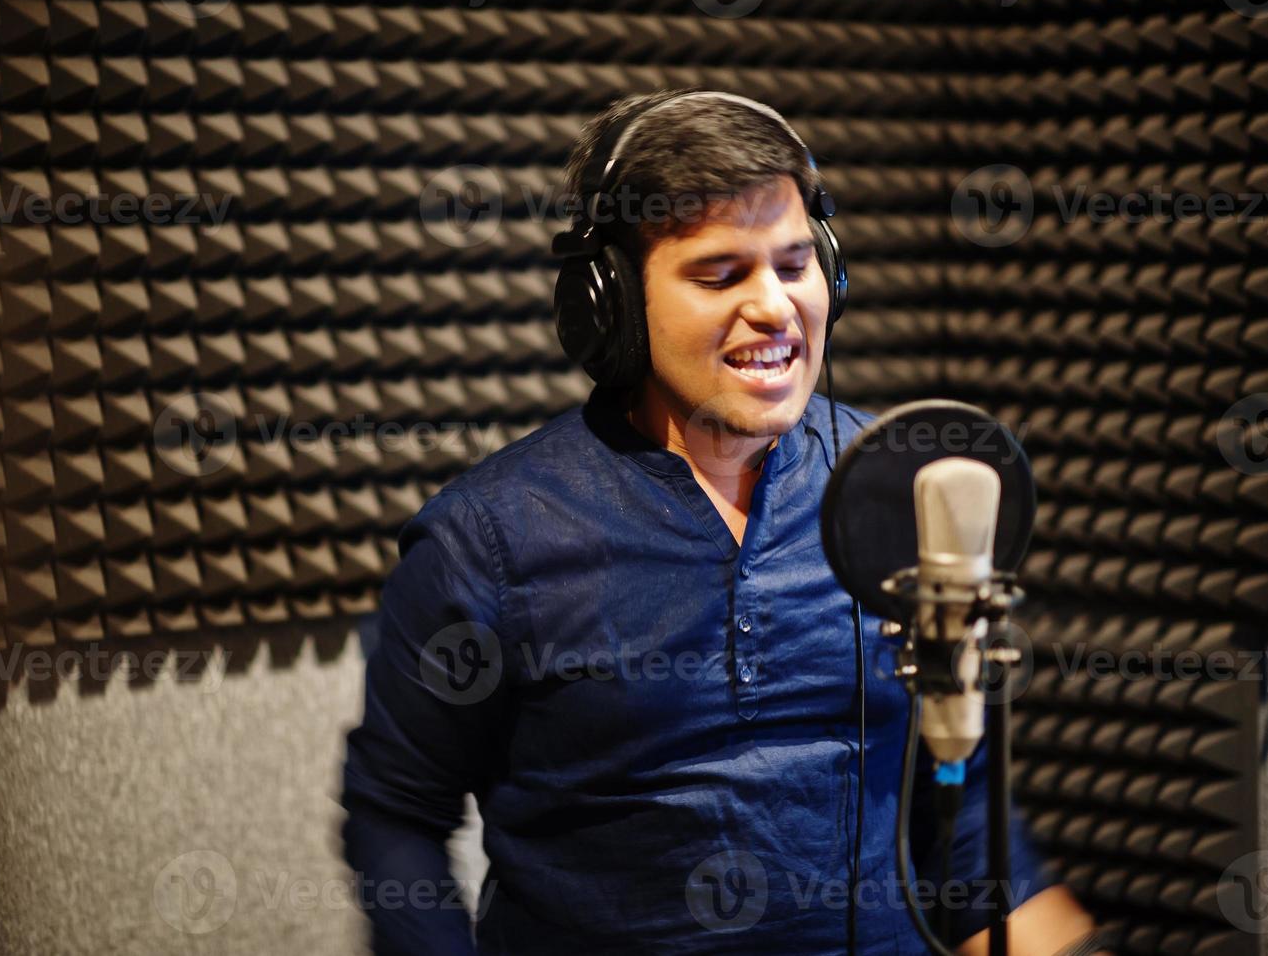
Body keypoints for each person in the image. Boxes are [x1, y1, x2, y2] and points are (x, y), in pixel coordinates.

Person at [340, 88, 1098, 954]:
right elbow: (396, 817)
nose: (774, 306)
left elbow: (960, 818)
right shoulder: (486, 541)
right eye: (720, 274)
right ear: (612, 303)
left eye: (793, 263)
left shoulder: (901, 490)